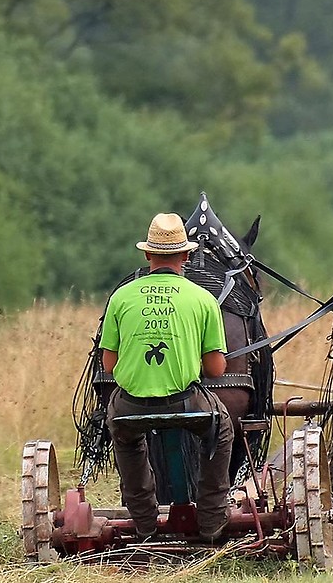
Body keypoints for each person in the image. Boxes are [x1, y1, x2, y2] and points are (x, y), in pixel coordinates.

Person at [100, 212, 234, 543]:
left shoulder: (121, 297)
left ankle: (144, 523)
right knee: (222, 430)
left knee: (126, 436)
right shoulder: (202, 299)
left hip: (131, 404)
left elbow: (108, 364)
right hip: (186, 401)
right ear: (187, 255)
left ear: (147, 254)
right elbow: (217, 369)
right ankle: (212, 518)